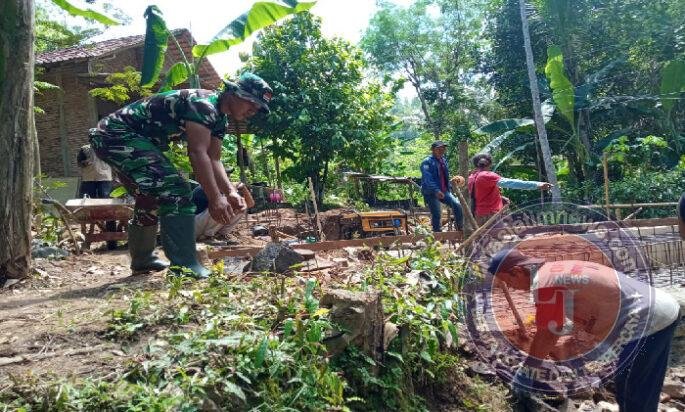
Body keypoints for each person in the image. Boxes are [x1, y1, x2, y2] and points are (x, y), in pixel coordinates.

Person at [89, 72, 272, 278]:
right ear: (234, 93)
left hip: (126, 138)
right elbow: (197, 153)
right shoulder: (204, 105)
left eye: (257, 108)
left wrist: (229, 192)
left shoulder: (220, 120)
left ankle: (142, 260)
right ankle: (185, 265)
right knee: (176, 189)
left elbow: (214, 159)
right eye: (251, 103)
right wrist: (214, 199)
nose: (253, 110)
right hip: (114, 134)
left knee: (150, 195)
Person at [488, 248, 680, 411]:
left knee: (631, 384)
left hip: (648, 319)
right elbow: (569, 317)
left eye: (507, 282)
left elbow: (548, 332)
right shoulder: (554, 270)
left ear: (517, 271)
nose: (511, 288)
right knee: (640, 384)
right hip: (660, 308)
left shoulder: (544, 282)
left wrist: (527, 372)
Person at [468, 153, 552, 224]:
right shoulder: (487, 175)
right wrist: (537, 185)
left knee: (483, 237)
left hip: (478, 215)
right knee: (497, 237)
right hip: (491, 215)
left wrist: (500, 197)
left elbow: (478, 194)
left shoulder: (471, 177)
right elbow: (511, 183)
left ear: (475, 164)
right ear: (489, 164)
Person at [420, 140, 464, 231]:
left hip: (444, 190)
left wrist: (450, 184)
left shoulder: (443, 160)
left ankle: (459, 227)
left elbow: (444, 176)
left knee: (457, 205)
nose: (441, 150)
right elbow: (428, 179)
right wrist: (436, 190)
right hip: (431, 192)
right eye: (439, 149)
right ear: (432, 150)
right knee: (436, 213)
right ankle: (437, 233)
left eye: (443, 148)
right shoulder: (427, 162)